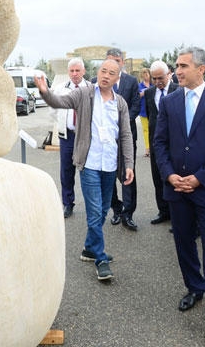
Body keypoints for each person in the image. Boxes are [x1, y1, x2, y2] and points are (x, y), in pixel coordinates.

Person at [152, 47, 205, 330]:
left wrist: (200, 177)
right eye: (177, 65)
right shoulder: (170, 102)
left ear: (201, 69)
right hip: (176, 188)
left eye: (184, 65)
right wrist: (169, 175)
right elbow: (159, 143)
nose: (178, 70)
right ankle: (194, 287)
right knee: (184, 243)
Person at [35, 60, 134, 282]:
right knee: (95, 211)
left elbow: (126, 135)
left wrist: (129, 164)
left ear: (118, 78)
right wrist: (44, 91)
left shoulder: (120, 103)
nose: (106, 76)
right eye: (103, 71)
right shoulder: (85, 94)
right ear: (97, 73)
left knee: (105, 209)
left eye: (111, 73)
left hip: (109, 165)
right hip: (88, 162)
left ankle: (89, 248)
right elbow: (59, 101)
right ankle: (100, 258)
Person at [104, 48, 141, 231]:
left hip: (127, 136)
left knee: (128, 174)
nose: (115, 63)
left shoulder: (131, 81)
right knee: (109, 174)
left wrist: (121, 124)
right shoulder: (98, 82)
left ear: (123, 62)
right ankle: (116, 210)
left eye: (118, 60)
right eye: (111, 60)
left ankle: (128, 213)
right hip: (106, 140)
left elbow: (136, 105)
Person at [52, 58, 91, 218]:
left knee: (88, 171)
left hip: (85, 138)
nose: (74, 74)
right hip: (67, 137)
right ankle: (68, 203)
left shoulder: (90, 88)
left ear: (83, 71)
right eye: (72, 71)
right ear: (68, 72)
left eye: (77, 70)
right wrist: (63, 124)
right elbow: (53, 110)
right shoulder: (60, 89)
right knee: (66, 172)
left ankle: (91, 204)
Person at [144, 60, 178, 225]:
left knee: (173, 177)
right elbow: (151, 117)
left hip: (175, 143)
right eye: (154, 78)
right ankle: (163, 211)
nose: (157, 82)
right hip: (157, 143)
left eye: (160, 78)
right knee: (157, 177)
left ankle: (176, 214)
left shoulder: (178, 90)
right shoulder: (150, 93)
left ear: (169, 74)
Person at [138, 67, 152, 158]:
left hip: (153, 110)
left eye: (147, 73)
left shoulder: (153, 84)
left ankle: (154, 147)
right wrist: (143, 93)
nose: (145, 75)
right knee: (146, 130)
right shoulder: (140, 85)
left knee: (154, 129)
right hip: (143, 110)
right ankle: (147, 148)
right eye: (143, 74)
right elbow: (137, 96)